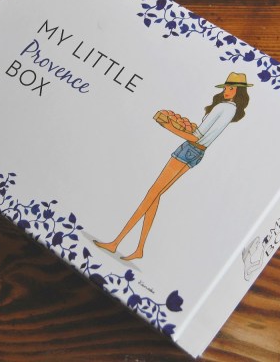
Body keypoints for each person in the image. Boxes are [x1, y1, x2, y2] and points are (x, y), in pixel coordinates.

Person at [94, 72, 252, 260]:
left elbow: (195, 137)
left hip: (189, 149)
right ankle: (139, 249)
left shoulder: (222, 107)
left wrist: (167, 126)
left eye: (231, 88)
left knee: (152, 193)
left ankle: (115, 243)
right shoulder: (231, 110)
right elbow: (201, 136)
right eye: (226, 87)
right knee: (156, 195)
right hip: (197, 153)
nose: (227, 90)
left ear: (239, 91)